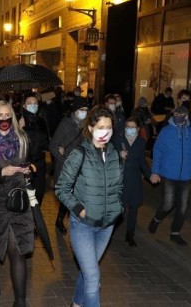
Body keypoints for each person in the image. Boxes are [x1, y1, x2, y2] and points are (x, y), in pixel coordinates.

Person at [55, 105, 123, 307]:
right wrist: (78, 209)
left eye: (109, 127)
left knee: (88, 272)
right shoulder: (79, 153)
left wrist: (118, 206)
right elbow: (61, 188)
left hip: (107, 225)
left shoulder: (114, 154)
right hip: (83, 225)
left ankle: (76, 304)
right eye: (100, 126)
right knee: (93, 278)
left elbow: (120, 185)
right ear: (91, 128)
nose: (105, 131)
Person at [0, 100, 33, 307]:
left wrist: (26, 170)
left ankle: (20, 302)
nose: (4, 119)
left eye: (7, 114)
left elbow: (29, 161)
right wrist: (1, 173)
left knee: (17, 249)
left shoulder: (22, 138)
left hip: (18, 199)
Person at [148, 106, 191, 246]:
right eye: (176, 114)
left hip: (185, 176)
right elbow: (158, 151)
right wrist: (155, 171)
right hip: (168, 174)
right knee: (168, 204)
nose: (179, 116)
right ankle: (157, 219)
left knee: (182, 208)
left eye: (182, 114)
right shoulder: (166, 131)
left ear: (186, 117)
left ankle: (175, 233)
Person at [48, 99, 87, 235]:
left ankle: (72, 220)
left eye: (86, 110)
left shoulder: (85, 126)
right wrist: (63, 160)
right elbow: (53, 146)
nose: (84, 113)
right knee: (67, 197)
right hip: (65, 167)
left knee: (76, 196)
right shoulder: (66, 124)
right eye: (81, 110)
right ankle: (59, 220)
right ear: (74, 110)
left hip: (80, 167)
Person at [118, 117, 149, 247]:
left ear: (137, 129)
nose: (129, 129)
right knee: (120, 207)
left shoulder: (141, 142)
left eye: (132, 127)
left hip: (135, 178)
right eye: (127, 127)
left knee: (134, 207)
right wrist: (119, 153)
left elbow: (142, 160)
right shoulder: (118, 139)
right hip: (121, 177)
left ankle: (130, 233)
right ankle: (110, 229)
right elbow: (109, 155)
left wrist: (150, 174)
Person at [19, 93, 50, 204]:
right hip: (24, 164)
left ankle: (36, 219)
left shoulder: (41, 120)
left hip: (39, 163)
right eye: (29, 103)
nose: (33, 105)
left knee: (39, 194)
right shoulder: (19, 121)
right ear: (24, 105)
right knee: (26, 196)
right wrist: (19, 129)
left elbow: (47, 141)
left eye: (35, 103)